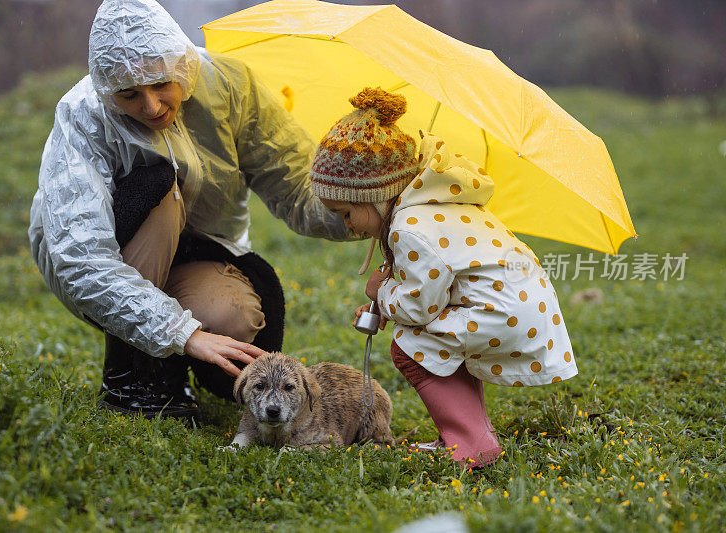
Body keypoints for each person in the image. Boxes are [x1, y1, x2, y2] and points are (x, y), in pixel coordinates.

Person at [28, 0, 352, 424]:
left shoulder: (232, 88)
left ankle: (171, 361)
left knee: (232, 316)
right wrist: (184, 334)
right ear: (107, 90)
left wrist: (359, 209)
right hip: (109, 249)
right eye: (129, 94)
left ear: (180, 63)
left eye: (162, 83)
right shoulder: (84, 116)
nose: (151, 106)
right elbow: (81, 255)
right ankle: (133, 378)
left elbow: (295, 184)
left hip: (201, 248)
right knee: (159, 186)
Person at [310, 87, 578, 467]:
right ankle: (471, 434)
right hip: (520, 305)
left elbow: (420, 308)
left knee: (409, 346)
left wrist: (383, 292)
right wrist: (391, 300)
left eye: (344, 213)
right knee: (440, 340)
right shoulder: (432, 205)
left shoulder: (409, 228)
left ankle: (470, 444)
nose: (348, 226)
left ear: (370, 195)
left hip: (503, 312)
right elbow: (443, 286)